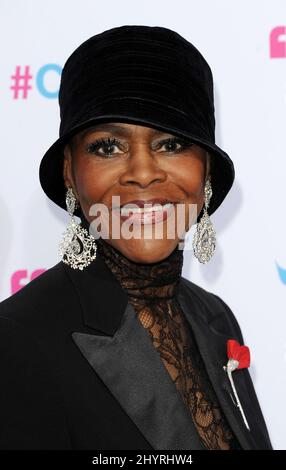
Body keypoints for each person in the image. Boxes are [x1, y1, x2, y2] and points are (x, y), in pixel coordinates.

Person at [0, 25, 272, 450]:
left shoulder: (215, 316)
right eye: (108, 147)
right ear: (70, 170)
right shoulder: (16, 342)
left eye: (172, 143)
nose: (143, 172)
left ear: (206, 172)